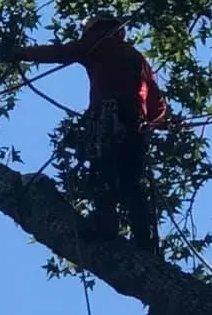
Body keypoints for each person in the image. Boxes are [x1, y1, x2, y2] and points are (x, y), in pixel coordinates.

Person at [11, 14, 167, 250]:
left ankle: (105, 225)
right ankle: (145, 240)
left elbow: (60, 52)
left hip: (108, 116)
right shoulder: (139, 59)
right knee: (131, 181)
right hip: (135, 123)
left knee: (102, 172)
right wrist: (155, 123)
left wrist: (20, 53)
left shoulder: (99, 42)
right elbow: (158, 105)